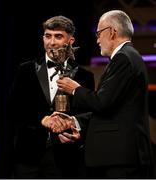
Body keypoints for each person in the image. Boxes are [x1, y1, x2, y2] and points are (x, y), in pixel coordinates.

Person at [56, 10, 153, 178]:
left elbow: (102, 102)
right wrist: (75, 121)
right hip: (119, 158)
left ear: (112, 32)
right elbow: (113, 110)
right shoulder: (128, 57)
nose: (97, 40)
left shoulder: (123, 58)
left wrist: (75, 89)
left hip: (120, 160)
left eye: (99, 33)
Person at [8, 15, 95, 178]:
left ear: (71, 40)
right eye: (48, 36)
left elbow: (88, 116)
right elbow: (13, 109)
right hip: (27, 159)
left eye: (58, 36)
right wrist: (42, 119)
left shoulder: (84, 77)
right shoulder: (26, 70)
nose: (52, 42)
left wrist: (76, 134)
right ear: (43, 38)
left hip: (66, 161)